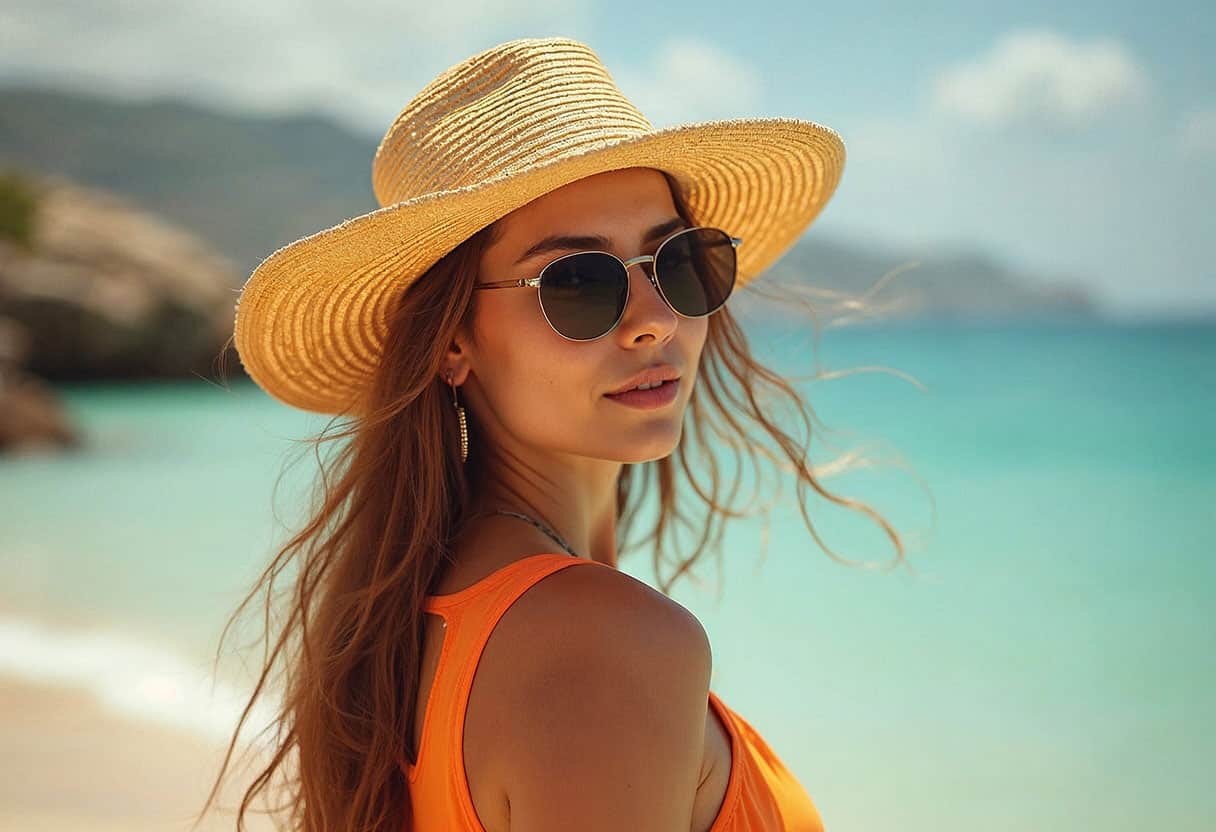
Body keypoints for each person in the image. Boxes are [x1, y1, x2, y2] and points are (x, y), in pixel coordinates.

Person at [203, 35, 904, 832]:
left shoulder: (425, 621)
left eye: (677, 261)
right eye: (577, 282)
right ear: (451, 342)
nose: (654, 320)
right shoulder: (602, 643)